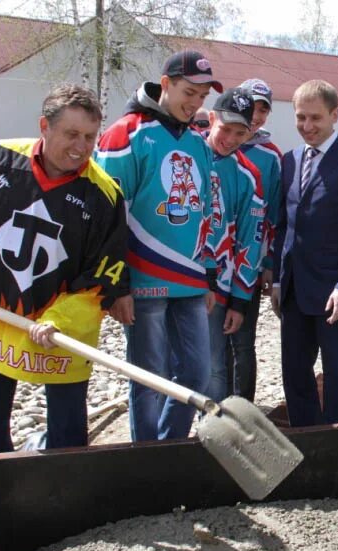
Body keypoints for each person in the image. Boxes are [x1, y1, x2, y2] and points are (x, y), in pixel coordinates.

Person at [0, 84, 128, 454]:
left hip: (62, 332)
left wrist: (61, 321)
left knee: (67, 433)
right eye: (71, 134)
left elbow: (103, 272)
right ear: (44, 126)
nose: (81, 147)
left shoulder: (104, 195)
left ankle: (66, 492)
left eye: (90, 137)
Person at [94, 49, 222, 442]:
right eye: (189, 92)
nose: (195, 103)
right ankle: (145, 457)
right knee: (149, 378)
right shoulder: (125, 133)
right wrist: (115, 287)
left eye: (202, 97)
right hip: (142, 280)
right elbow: (105, 218)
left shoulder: (199, 144)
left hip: (189, 280)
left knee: (198, 373)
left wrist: (211, 276)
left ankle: (168, 446)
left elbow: (206, 214)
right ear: (165, 84)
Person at [271, 79, 338, 426]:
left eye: (315, 118)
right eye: (300, 118)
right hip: (293, 291)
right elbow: (284, 226)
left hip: (335, 295)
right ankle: (306, 439)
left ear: (335, 115)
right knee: (295, 373)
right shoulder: (288, 161)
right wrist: (276, 280)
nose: (307, 126)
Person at [202, 87, 266, 402]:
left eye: (240, 132)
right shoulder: (183, 154)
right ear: (211, 118)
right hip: (172, 279)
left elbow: (250, 243)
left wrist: (240, 302)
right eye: (225, 129)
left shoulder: (248, 175)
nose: (230, 138)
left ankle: (210, 436)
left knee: (215, 364)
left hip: (218, 290)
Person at [231, 77, 283, 402]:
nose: (257, 115)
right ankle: (214, 409)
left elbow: (276, 215)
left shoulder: (270, 156)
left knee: (242, 341)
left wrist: (268, 264)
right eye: (252, 105)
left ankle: (242, 409)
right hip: (211, 264)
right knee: (211, 342)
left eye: (264, 109)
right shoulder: (216, 142)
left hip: (248, 265)